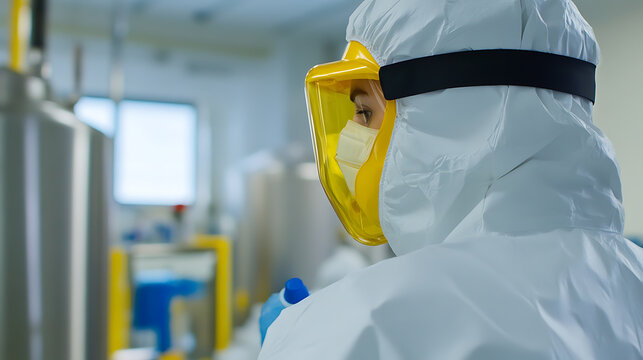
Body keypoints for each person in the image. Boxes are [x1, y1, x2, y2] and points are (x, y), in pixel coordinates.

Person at [258, 0, 643, 358]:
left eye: (362, 111)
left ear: (450, 119)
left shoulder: (367, 328)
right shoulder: (632, 283)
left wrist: (297, 337)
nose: (350, 136)